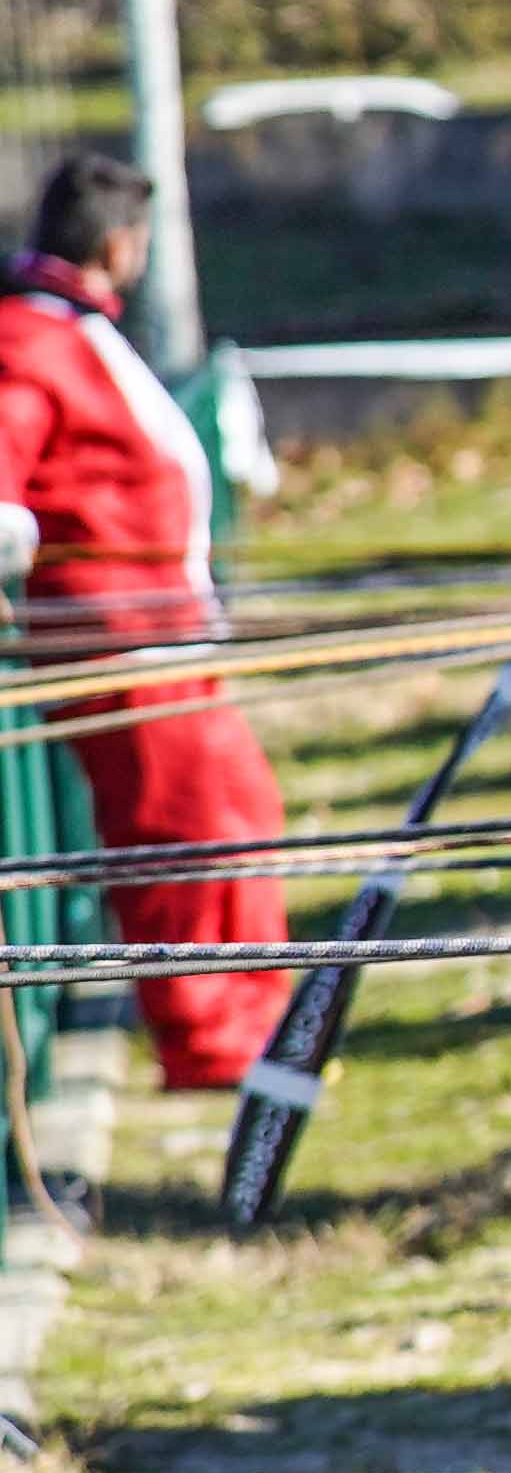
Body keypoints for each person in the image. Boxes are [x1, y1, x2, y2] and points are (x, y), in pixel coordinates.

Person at [0, 154, 290, 1090]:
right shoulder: (28, 337)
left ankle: (258, 1019)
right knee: (178, 835)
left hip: (159, 627)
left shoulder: (63, 330)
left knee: (237, 810)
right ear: (119, 244)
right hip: (114, 638)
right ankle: (211, 1045)